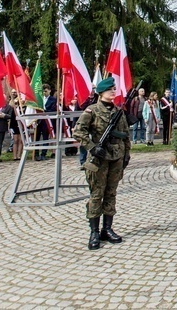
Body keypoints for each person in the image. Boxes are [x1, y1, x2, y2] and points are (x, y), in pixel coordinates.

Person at [73, 77, 131, 250]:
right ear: (101, 92)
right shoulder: (92, 111)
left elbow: (125, 134)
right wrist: (91, 147)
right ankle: (94, 232)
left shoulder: (118, 111)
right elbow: (78, 132)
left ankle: (107, 229)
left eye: (114, 89)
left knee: (111, 193)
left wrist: (127, 154)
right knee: (97, 194)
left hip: (116, 158)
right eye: (110, 89)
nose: (113, 91)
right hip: (100, 158)